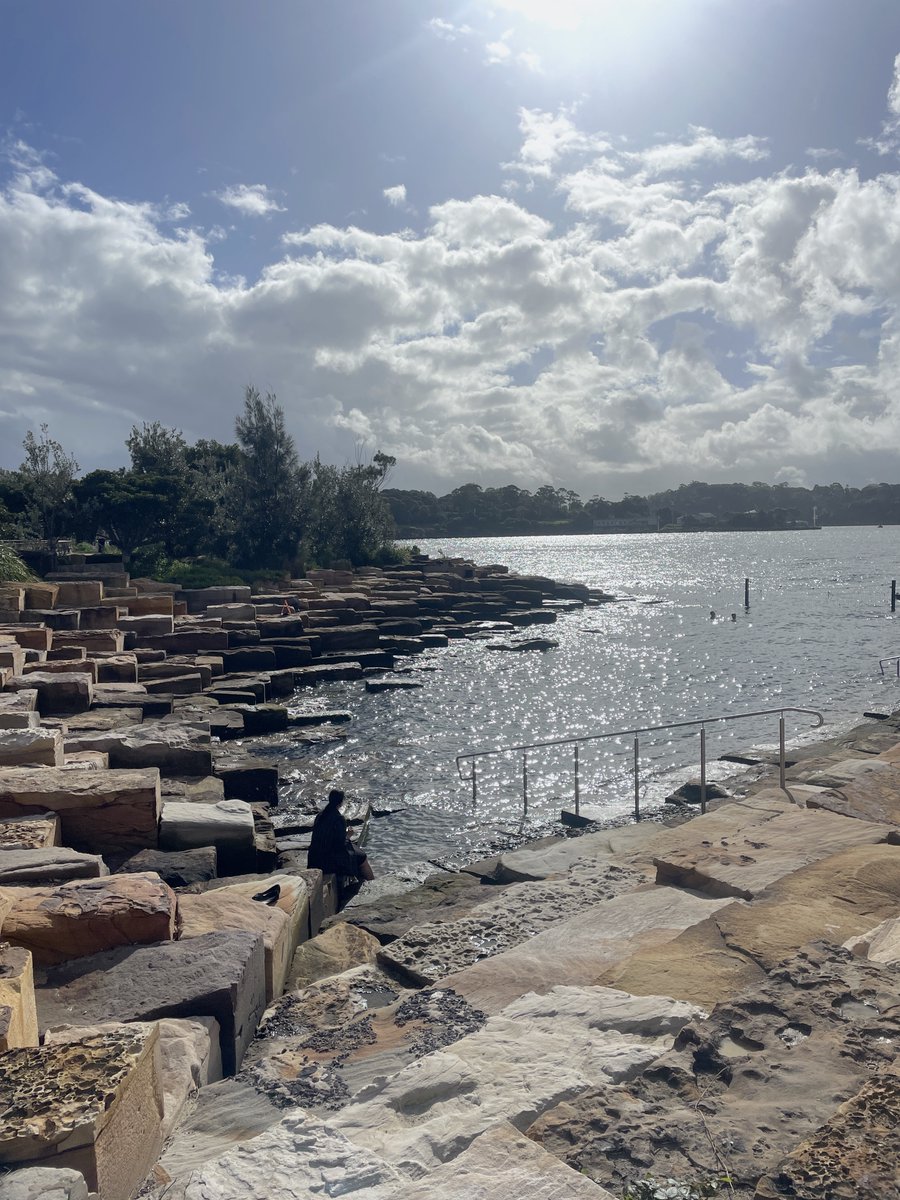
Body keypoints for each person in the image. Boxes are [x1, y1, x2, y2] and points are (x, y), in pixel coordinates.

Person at [307, 790, 374, 894]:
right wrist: (348, 835)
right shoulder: (339, 818)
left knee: (356, 850)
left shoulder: (320, 815)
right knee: (363, 857)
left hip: (314, 857)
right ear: (341, 802)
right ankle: (373, 885)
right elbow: (340, 846)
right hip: (329, 861)